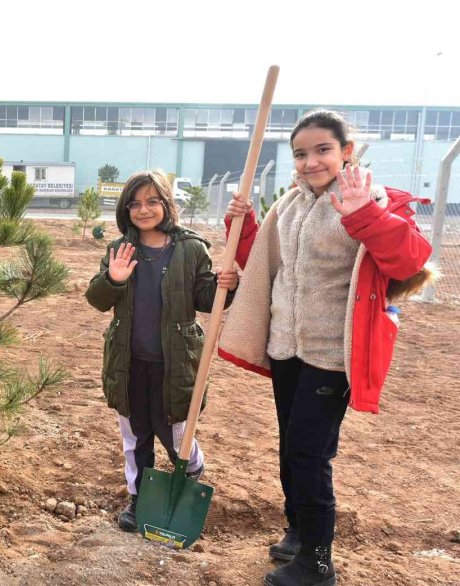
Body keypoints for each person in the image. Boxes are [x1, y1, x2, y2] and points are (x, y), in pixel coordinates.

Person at [219, 109, 435, 586]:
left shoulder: (369, 200)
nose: (310, 161)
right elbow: (266, 261)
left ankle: (318, 563)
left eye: (322, 150)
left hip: (331, 354)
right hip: (287, 348)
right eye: (301, 153)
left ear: (346, 153)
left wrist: (364, 215)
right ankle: (298, 531)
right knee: (291, 446)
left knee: (308, 453)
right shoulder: (291, 205)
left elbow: (410, 258)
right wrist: (247, 223)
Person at [84, 170, 238, 533]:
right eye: (135, 203)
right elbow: (96, 299)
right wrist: (114, 280)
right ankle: (139, 497)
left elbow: (204, 298)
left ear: (166, 204)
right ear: (125, 209)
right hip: (129, 360)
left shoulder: (190, 248)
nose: (144, 209)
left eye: (153, 201)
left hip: (176, 361)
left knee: (173, 430)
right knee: (136, 433)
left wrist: (223, 288)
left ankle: (191, 468)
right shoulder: (120, 250)